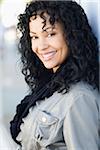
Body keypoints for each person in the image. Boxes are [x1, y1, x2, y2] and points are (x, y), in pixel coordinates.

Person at [10, 0, 100, 150]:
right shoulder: (50, 85)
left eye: (51, 34)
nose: (41, 46)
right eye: (35, 37)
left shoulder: (80, 99)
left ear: (72, 36)